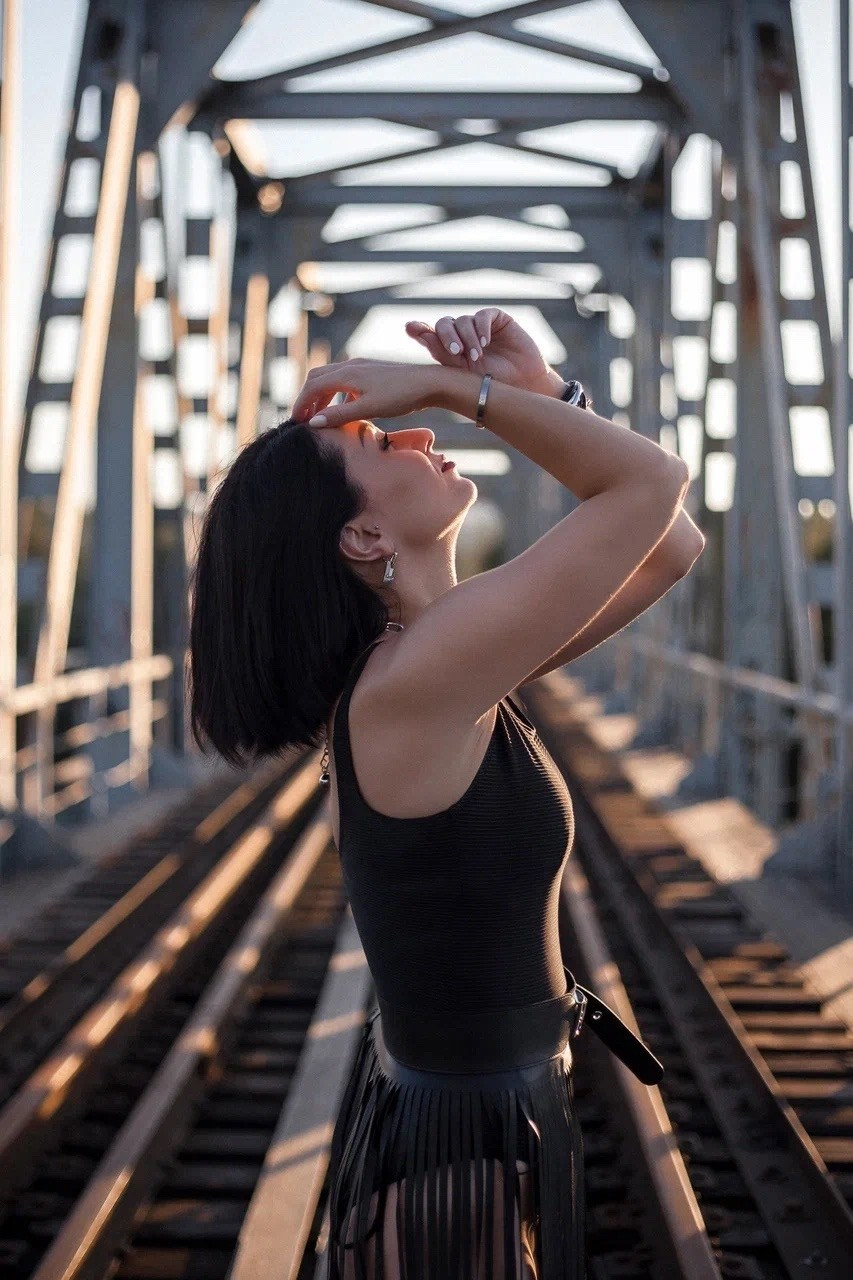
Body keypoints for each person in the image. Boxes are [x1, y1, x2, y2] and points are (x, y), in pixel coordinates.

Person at [187, 308, 701, 1279]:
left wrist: (543, 391)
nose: (420, 433)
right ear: (364, 533)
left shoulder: (441, 669)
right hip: (452, 1169)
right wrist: (447, 387)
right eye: (385, 440)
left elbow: (669, 543)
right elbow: (651, 483)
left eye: (395, 421)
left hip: (468, 1139)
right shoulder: (414, 686)